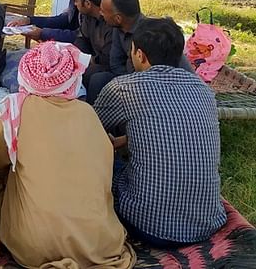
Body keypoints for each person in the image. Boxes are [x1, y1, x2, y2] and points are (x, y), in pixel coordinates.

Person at [0, 42, 136, 269]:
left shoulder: (19, 113)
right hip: (99, 242)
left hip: (35, 247)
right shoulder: (88, 114)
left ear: (26, 76)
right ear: (72, 78)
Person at [94, 17, 226, 248]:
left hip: (149, 225)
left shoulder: (125, 87)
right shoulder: (203, 91)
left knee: (104, 162)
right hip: (206, 223)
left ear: (140, 55)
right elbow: (175, 132)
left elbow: (88, 132)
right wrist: (129, 139)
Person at [88, 0, 194, 103]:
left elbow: (185, 74)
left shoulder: (154, 35)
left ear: (118, 18)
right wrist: (127, 83)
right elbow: (115, 63)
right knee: (98, 78)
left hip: (158, 89)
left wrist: (135, 87)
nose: (100, 14)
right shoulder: (118, 29)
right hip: (129, 80)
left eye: (103, 11)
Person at [71, 0, 113, 90]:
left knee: (91, 75)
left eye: (77, 1)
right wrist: (79, 57)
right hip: (94, 61)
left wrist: (88, 61)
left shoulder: (111, 22)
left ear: (88, 4)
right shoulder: (87, 16)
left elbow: (109, 58)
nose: (75, 4)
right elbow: (82, 38)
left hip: (110, 68)